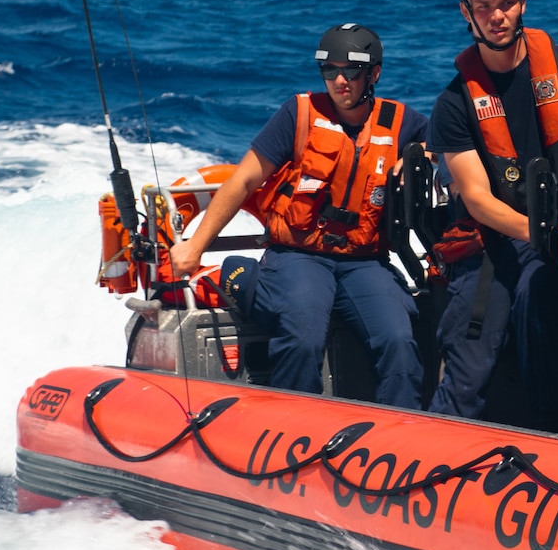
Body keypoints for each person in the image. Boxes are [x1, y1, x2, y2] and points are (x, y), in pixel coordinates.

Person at [168, 23, 426, 408]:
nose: (340, 81)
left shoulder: (402, 122)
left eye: (351, 71)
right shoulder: (298, 113)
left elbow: (450, 142)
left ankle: (401, 436)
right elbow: (241, 183)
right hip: (299, 256)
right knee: (302, 335)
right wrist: (195, 248)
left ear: (373, 73)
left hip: (364, 261)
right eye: (330, 70)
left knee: (398, 341)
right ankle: (294, 427)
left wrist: (422, 154)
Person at [426, 0, 558, 430]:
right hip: (501, 237)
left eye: (506, 3)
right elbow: (478, 198)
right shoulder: (454, 102)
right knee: (473, 344)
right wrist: (544, 234)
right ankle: (445, 444)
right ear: (466, 12)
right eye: (483, 6)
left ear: (524, 4)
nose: (496, 16)